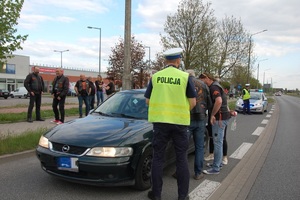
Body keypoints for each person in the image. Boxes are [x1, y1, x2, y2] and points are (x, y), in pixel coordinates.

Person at [144, 48, 196, 200]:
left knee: (158, 158)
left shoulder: (156, 77)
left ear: (165, 61)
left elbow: (147, 100)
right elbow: (192, 102)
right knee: (181, 158)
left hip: (160, 123)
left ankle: (156, 194)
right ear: (178, 61)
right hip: (180, 124)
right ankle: (182, 196)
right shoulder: (185, 77)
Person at [199, 72, 230, 175]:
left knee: (217, 143)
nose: (202, 84)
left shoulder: (213, 87)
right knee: (219, 142)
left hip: (219, 118)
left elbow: (219, 101)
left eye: (202, 81)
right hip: (223, 117)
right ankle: (218, 163)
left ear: (207, 78)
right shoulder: (217, 85)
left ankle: (215, 168)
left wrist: (212, 114)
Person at [185, 69, 211, 180]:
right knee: (199, 147)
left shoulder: (184, 82)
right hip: (200, 118)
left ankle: (180, 171)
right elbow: (209, 102)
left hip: (187, 118)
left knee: (182, 147)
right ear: (195, 75)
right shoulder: (204, 85)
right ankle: (198, 172)